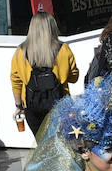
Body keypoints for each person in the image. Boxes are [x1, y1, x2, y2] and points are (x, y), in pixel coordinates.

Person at [11, 12, 79, 140]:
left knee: (42, 146)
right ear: (52, 27)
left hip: (32, 106)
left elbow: (16, 81)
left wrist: (19, 106)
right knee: (61, 145)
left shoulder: (21, 51)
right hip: (60, 105)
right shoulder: (63, 49)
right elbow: (74, 78)